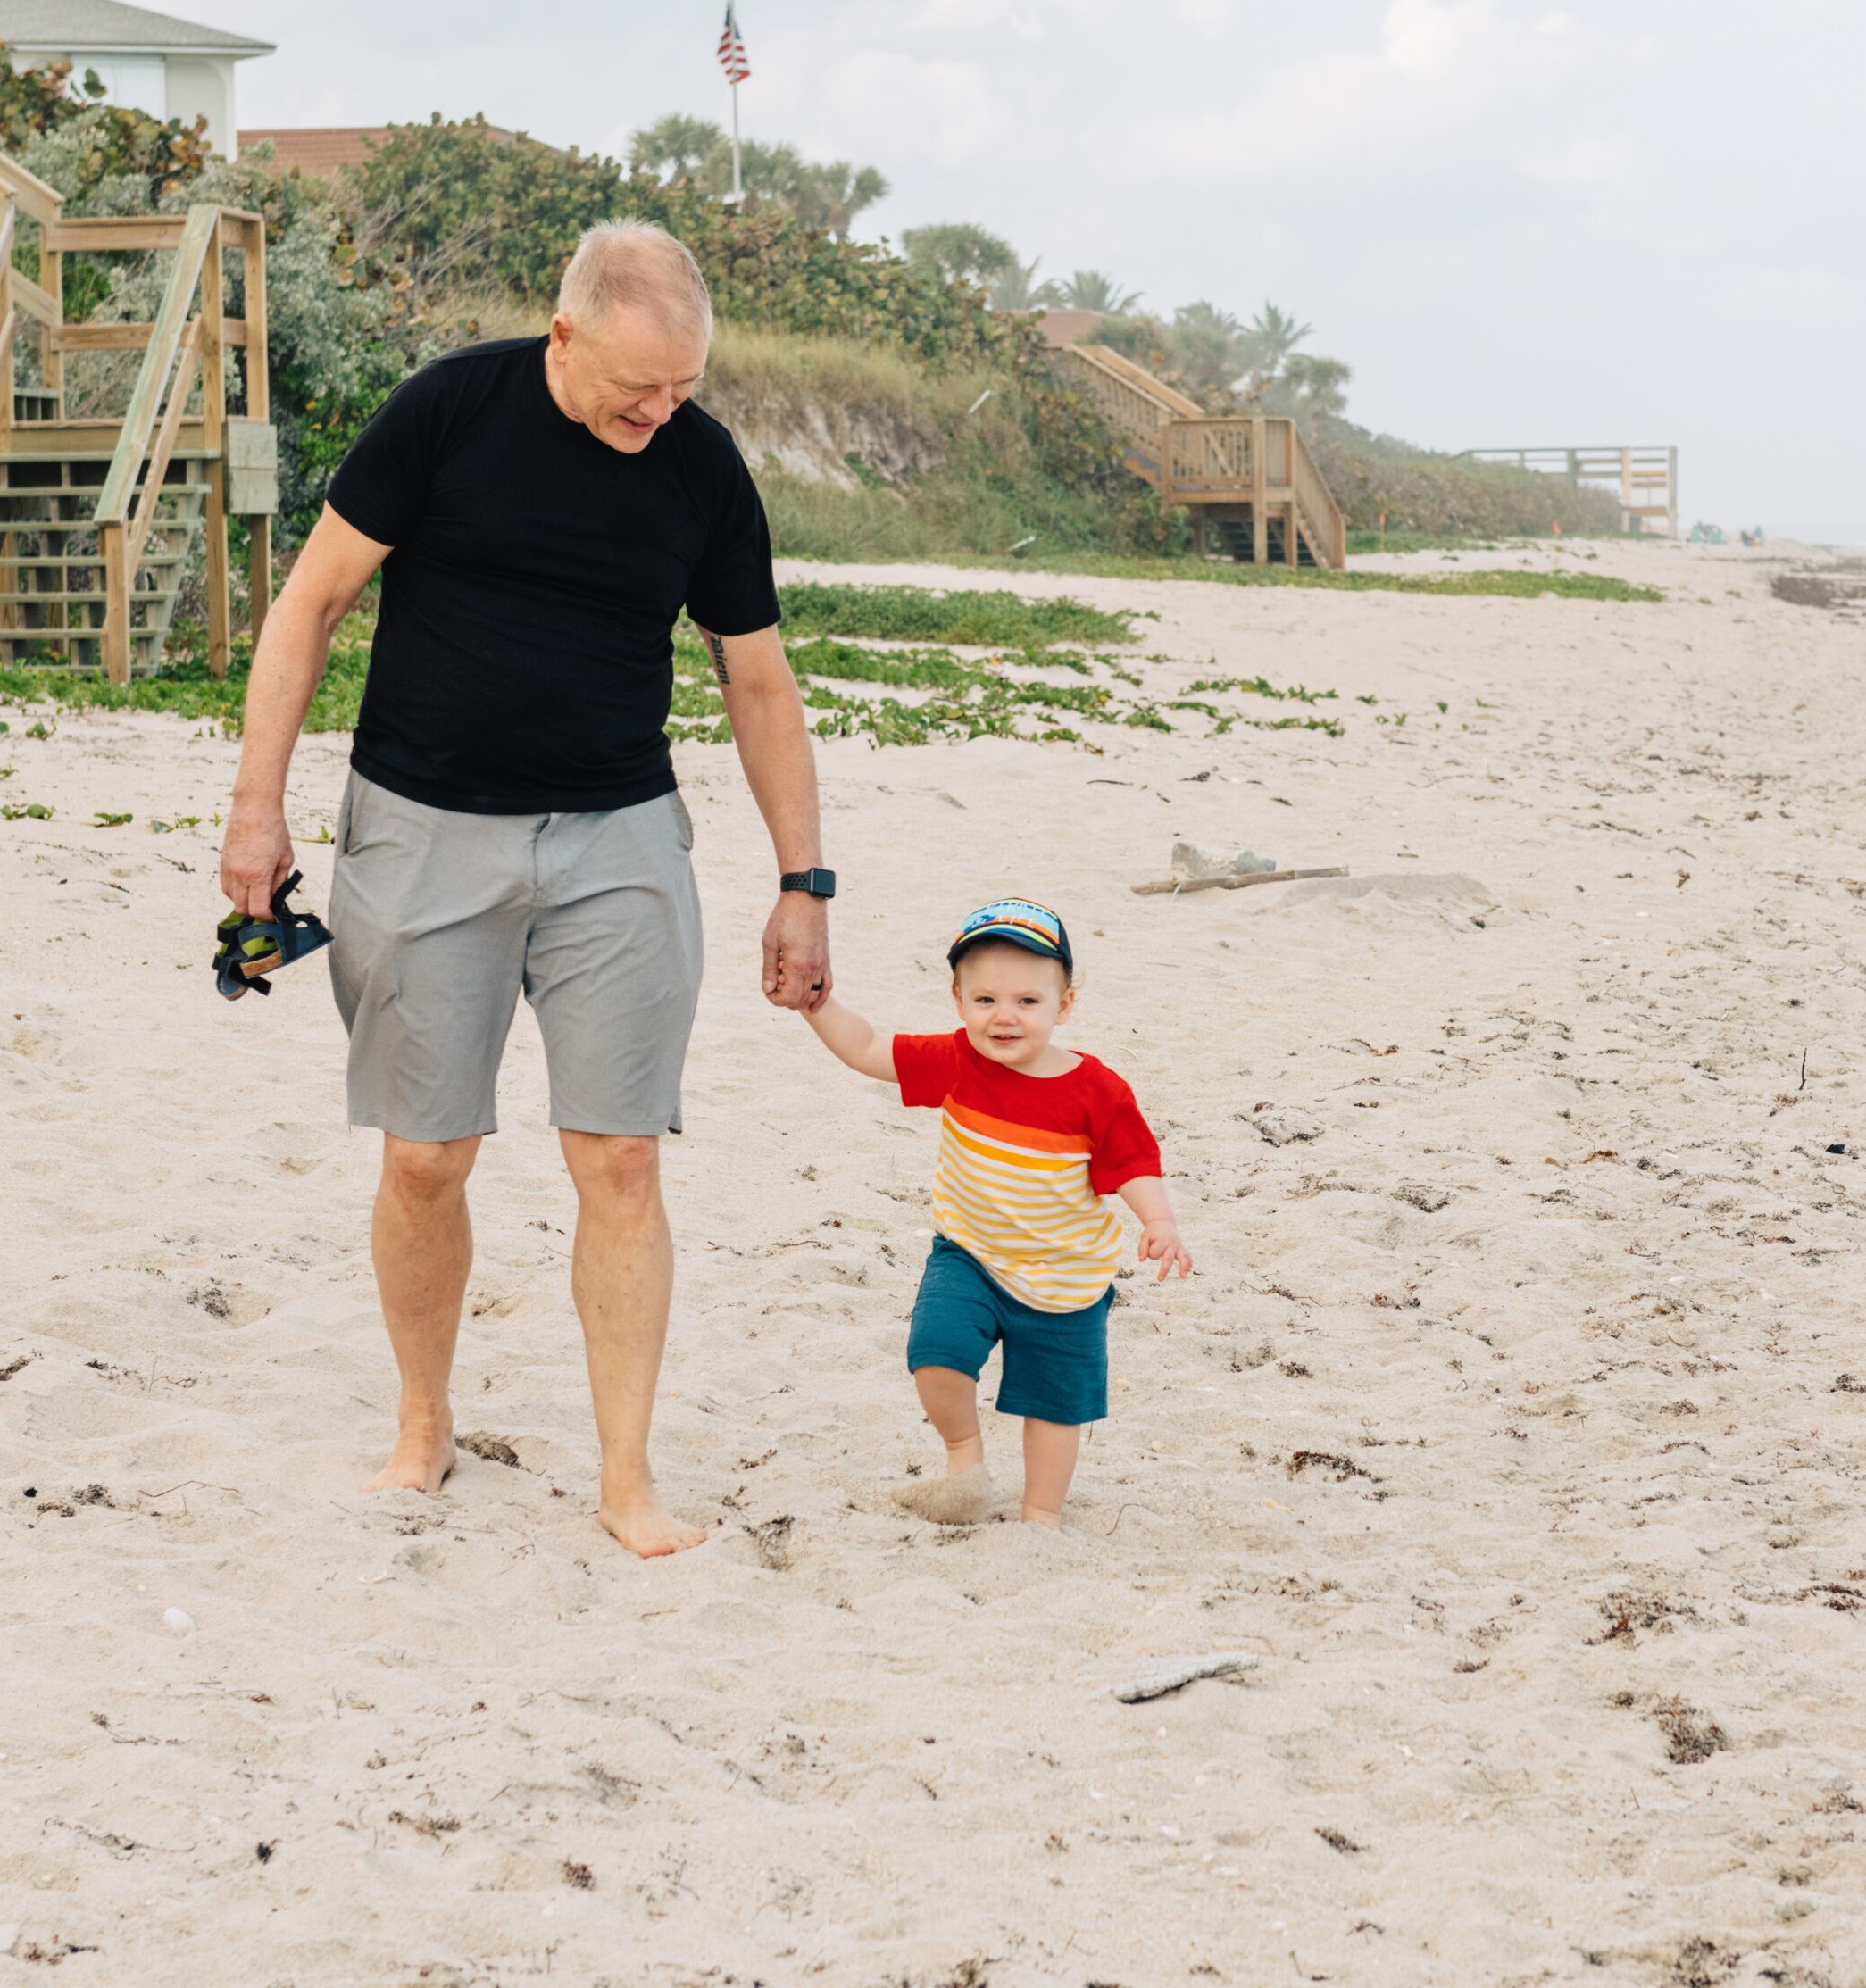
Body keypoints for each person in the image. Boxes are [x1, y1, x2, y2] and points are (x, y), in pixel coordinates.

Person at [219, 220, 836, 1557]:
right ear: (564, 335)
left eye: (683, 390)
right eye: (638, 387)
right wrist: (256, 811)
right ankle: (423, 1423)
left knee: (619, 1158)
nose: (660, 413)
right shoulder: (447, 412)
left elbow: (758, 678)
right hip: (424, 828)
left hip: (617, 838)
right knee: (427, 1155)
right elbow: (311, 603)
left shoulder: (702, 465)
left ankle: (626, 1477)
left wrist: (804, 879)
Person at [796, 899, 1192, 1525]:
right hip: (970, 1256)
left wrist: (1159, 1223)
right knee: (935, 1351)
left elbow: (1134, 1163)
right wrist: (816, 1006)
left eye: (1027, 1002)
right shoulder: (958, 1061)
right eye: (985, 1001)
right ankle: (965, 1460)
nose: (1004, 1017)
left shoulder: (1098, 1091)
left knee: (1056, 1406)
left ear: (1063, 1006)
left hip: (1066, 1280)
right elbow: (869, 1048)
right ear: (958, 1001)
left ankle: (1041, 1515)